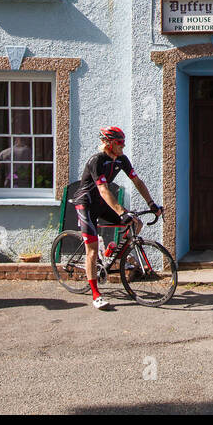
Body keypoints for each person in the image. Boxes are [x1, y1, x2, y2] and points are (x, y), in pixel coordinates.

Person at [67, 126, 160, 310]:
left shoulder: (121, 160)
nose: (123, 146)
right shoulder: (97, 161)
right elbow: (103, 189)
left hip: (102, 203)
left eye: (124, 142)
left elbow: (137, 182)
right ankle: (95, 294)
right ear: (108, 144)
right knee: (92, 251)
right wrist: (120, 212)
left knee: (136, 223)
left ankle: (110, 255)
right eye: (120, 143)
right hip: (85, 203)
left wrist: (151, 204)